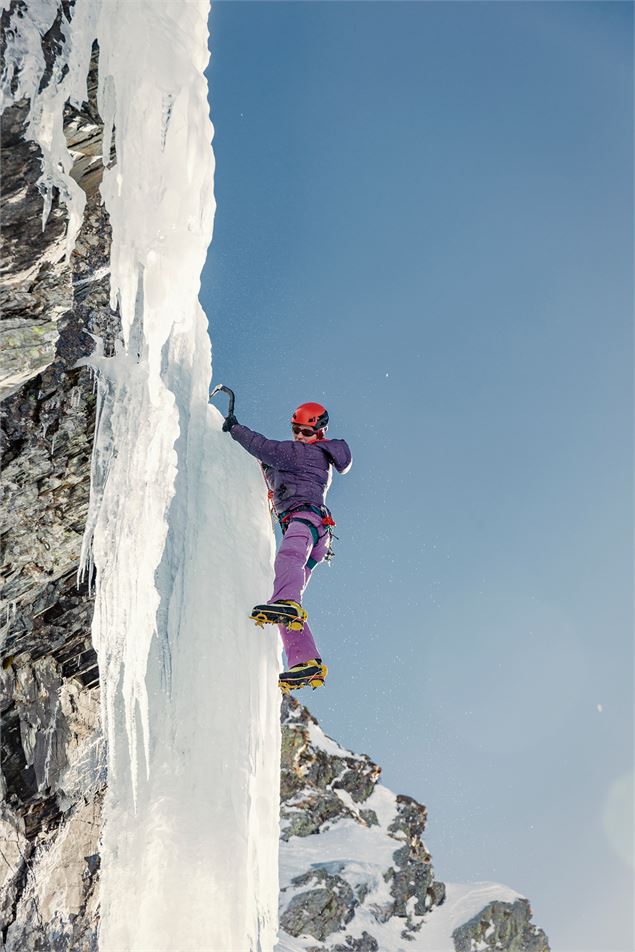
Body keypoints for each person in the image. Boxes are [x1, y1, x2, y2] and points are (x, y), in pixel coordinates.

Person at [222, 401, 352, 691]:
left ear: (320, 432)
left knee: (287, 562)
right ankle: (306, 662)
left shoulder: (303, 453)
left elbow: (265, 448)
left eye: (306, 432)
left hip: (305, 522)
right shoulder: (311, 457)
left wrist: (235, 429)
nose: (299, 436)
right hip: (317, 534)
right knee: (285, 594)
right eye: (296, 430)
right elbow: (276, 467)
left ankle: (287, 604)